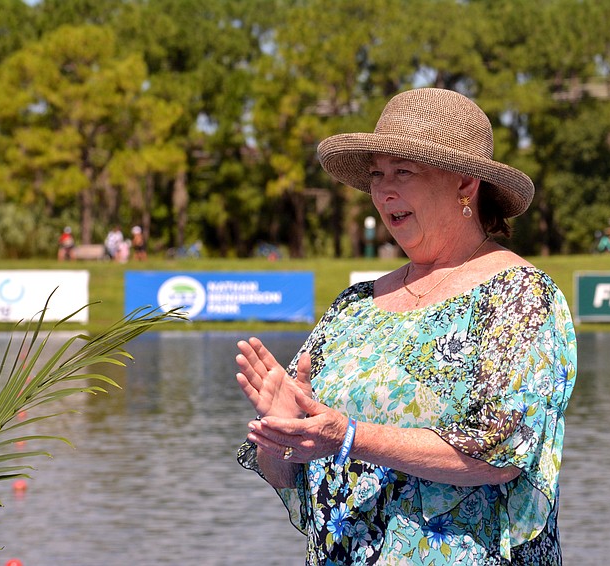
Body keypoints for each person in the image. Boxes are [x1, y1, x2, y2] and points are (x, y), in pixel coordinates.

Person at [235, 88, 577, 565]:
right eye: (377, 175)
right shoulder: (354, 306)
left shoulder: (518, 295)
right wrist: (283, 432)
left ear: (464, 183)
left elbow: (499, 451)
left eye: (403, 172)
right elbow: (286, 474)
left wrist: (349, 436)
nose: (383, 192)